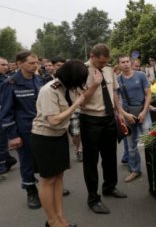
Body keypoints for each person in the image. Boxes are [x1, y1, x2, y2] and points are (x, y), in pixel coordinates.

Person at [31, 60, 88, 227]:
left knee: (59, 177)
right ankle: (52, 221)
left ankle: (61, 218)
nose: (80, 84)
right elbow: (54, 120)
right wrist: (76, 104)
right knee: (47, 180)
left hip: (59, 136)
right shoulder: (49, 90)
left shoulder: (66, 88)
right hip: (44, 138)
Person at [79, 44, 127, 214]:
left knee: (110, 156)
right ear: (91, 56)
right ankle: (93, 198)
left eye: (105, 62)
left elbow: (113, 92)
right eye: (100, 62)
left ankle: (109, 186)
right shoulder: (81, 71)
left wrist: (119, 112)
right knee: (91, 161)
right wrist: (94, 84)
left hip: (109, 119)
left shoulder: (108, 69)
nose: (102, 65)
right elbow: (80, 101)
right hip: (90, 119)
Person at [0, 51, 43, 208]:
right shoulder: (10, 84)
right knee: (26, 162)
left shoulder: (39, 80)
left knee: (45, 159)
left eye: (36, 62)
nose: (35, 66)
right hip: (24, 131)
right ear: (19, 64)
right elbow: (5, 113)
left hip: (43, 128)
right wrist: (13, 136)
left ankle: (48, 187)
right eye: (31, 63)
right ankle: (31, 191)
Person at [117, 54, 152, 183]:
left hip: (143, 112)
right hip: (128, 114)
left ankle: (154, 168)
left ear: (131, 63)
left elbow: (148, 95)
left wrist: (144, 112)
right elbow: (116, 101)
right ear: (119, 64)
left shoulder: (141, 75)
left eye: (127, 61)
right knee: (132, 146)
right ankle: (135, 170)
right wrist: (124, 115)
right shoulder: (118, 80)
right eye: (122, 62)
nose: (125, 64)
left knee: (149, 142)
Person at [0, 56, 18, 175]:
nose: (6, 67)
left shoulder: (7, 79)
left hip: (3, 113)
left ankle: (2, 164)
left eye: (7, 64)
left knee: (1, 140)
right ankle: (8, 159)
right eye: (3, 65)